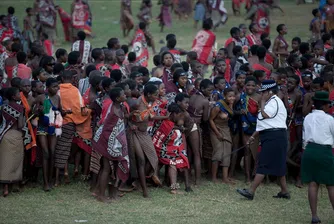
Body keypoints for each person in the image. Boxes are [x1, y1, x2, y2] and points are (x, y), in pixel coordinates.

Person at [237, 80, 289, 200]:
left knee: (263, 163)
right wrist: (253, 136)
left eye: (264, 92)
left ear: (270, 92)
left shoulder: (273, 102)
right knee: (279, 165)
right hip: (274, 135)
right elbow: (265, 124)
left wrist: (263, 102)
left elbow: (264, 116)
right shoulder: (271, 102)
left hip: (274, 136)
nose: (261, 94)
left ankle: (251, 191)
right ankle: (284, 191)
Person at [301, 91, 334, 224]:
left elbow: (304, 136)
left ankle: (314, 216)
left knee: (313, 184)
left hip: (309, 150)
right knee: (331, 184)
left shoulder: (307, 117)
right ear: (325, 106)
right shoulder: (330, 119)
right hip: (324, 151)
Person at [54, 70, 91, 186]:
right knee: (66, 148)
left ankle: (60, 172)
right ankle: (65, 172)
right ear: (72, 79)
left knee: (58, 147)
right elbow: (80, 108)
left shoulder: (57, 89)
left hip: (55, 122)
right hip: (69, 123)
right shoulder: (75, 90)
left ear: (61, 79)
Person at [92, 87, 130, 203]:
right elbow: (107, 130)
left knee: (113, 168)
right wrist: (109, 147)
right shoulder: (114, 111)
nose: (125, 95)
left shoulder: (120, 107)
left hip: (114, 142)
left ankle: (111, 193)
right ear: (118, 98)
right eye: (123, 94)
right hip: (107, 142)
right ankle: (101, 195)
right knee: (106, 169)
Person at [128, 84, 162, 197]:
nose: (157, 96)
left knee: (153, 157)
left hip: (144, 133)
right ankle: (144, 190)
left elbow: (151, 117)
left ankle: (139, 180)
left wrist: (166, 117)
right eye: (155, 95)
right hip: (134, 133)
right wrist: (130, 124)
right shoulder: (137, 103)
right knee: (141, 160)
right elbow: (126, 116)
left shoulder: (150, 103)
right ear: (148, 94)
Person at [153, 103, 192, 194]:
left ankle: (155, 174)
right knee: (172, 163)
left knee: (174, 161)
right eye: (180, 116)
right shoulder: (169, 125)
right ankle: (174, 189)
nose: (181, 118)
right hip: (162, 150)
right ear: (174, 114)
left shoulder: (166, 121)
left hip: (161, 148)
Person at [35, 78, 63, 191]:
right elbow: (35, 112)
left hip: (53, 127)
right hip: (42, 126)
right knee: (45, 152)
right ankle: (45, 182)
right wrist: (39, 110)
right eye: (54, 86)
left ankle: (50, 180)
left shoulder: (58, 98)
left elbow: (60, 112)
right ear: (48, 88)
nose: (57, 88)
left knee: (52, 152)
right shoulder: (41, 97)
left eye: (57, 86)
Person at [0, 87, 25, 197]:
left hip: (4, 135)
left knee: (5, 162)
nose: (20, 95)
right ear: (14, 97)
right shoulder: (20, 108)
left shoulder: (3, 107)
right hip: (15, 135)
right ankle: (14, 185)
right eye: (18, 94)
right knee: (15, 161)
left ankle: (5, 188)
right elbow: (20, 125)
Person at [209, 88, 235, 184]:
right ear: (224, 96)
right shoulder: (218, 106)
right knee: (218, 152)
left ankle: (225, 178)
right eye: (230, 96)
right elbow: (211, 120)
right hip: (216, 129)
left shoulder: (230, 105)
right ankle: (214, 177)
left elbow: (231, 114)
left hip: (226, 129)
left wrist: (231, 104)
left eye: (233, 96)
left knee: (227, 152)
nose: (232, 98)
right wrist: (217, 133)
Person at [240, 76, 261, 183]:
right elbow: (235, 109)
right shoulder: (241, 97)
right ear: (244, 86)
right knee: (247, 151)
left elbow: (261, 113)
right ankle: (247, 177)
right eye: (248, 85)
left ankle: (256, 175)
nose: (250, 87)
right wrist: (240, 112)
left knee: (257, 152)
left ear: (256, 86)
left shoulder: (260, 97)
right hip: (245, 127)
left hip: (257, 128)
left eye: (253, 85)